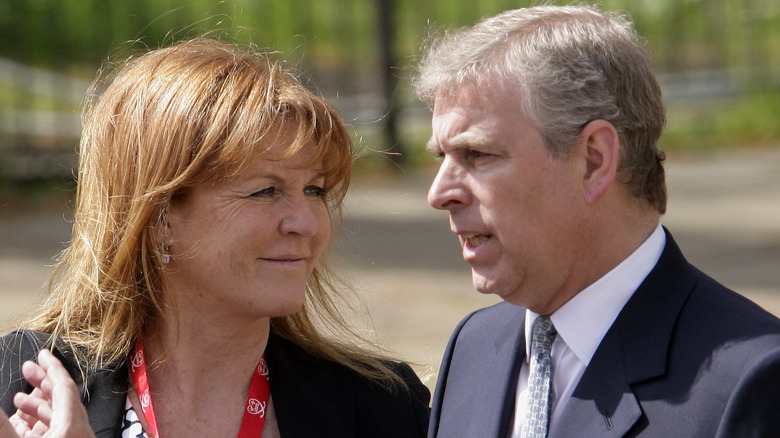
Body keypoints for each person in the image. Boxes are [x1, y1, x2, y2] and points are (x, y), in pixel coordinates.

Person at [0, 38, 430, 437]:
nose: (307, 223)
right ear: (159, 216)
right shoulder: (24, 379)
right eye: (266, 191)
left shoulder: (381, 407)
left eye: (314, 190)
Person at [414, 4, 780, 438]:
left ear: (593, 161)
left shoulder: (750, 382)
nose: (439, 193)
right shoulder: (473, 348)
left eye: (477, 154)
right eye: (442, 156)